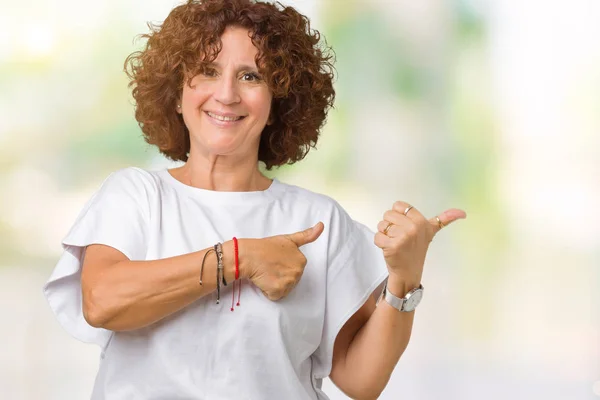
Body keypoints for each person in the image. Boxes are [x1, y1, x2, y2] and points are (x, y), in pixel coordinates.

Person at [43, 0, 466, 399]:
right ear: (175, 93)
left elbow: (360, 380)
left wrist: (404, 279)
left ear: (278, 99)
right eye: (207, 71)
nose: (226, 94)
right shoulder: (135, 196)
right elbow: (102, 301)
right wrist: (240, 259)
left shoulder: (318, 220)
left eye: (251, 76)